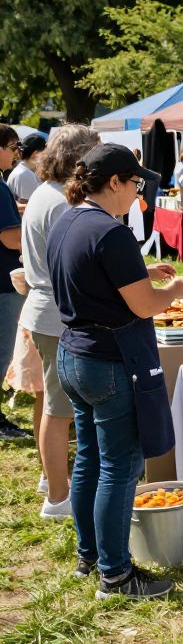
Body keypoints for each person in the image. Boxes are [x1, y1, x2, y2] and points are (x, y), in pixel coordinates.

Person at [47, 142, 183, 598]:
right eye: (135, 184)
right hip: (109, 361)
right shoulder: (110, 232)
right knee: (119, 467)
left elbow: (91, 275)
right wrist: (177, 288)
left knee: (91, 457)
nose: (138, 193)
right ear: (113, 182)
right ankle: (115, 574)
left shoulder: (67, 220)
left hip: (74, 354)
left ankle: (89, 556)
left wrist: (143, 269)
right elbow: (145, 305)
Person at [20, 124, 100, 519]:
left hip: (46, 309)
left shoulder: (44, 194)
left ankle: (51, 480)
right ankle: (57, 497)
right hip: (57, 313)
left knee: (51, 403)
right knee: (58, 408)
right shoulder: (59, 201)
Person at [0, 124, 28, 440]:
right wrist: (34, 236)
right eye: (12, 146)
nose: (16, 153)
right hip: (3, 282)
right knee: (2, 351)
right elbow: (8, 237)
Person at [8, 133, 46, 203]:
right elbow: (29, 206)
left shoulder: (25, 170)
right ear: (36, 154)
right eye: (45, 153)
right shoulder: (24, 174)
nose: (47, 157)